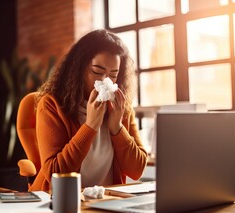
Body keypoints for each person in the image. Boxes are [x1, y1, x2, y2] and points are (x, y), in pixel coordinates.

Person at [29, 29, 148, 191]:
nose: (106, 80)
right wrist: (90, 126)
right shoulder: (52, 105)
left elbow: (137, 170)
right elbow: (54, 174)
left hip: (105, 202)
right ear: (79, 69)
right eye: (98, 71)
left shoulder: (121, 108)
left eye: (113, 74)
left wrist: (117, 128)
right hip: (61, 201)